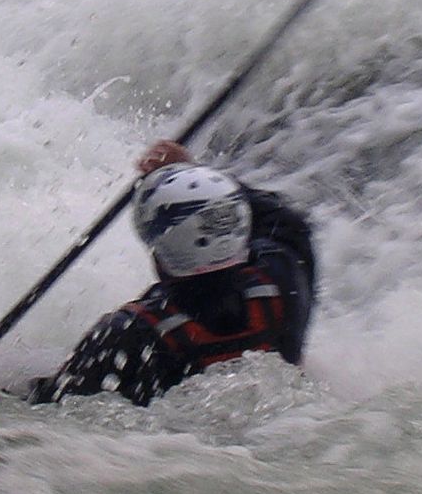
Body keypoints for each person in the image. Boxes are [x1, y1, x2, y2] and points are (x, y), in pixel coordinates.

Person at [18, 140, 317, 406]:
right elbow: (284, 220)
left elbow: (49, 407)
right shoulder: (286, 278)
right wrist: (192, 171)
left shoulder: (129, 335)